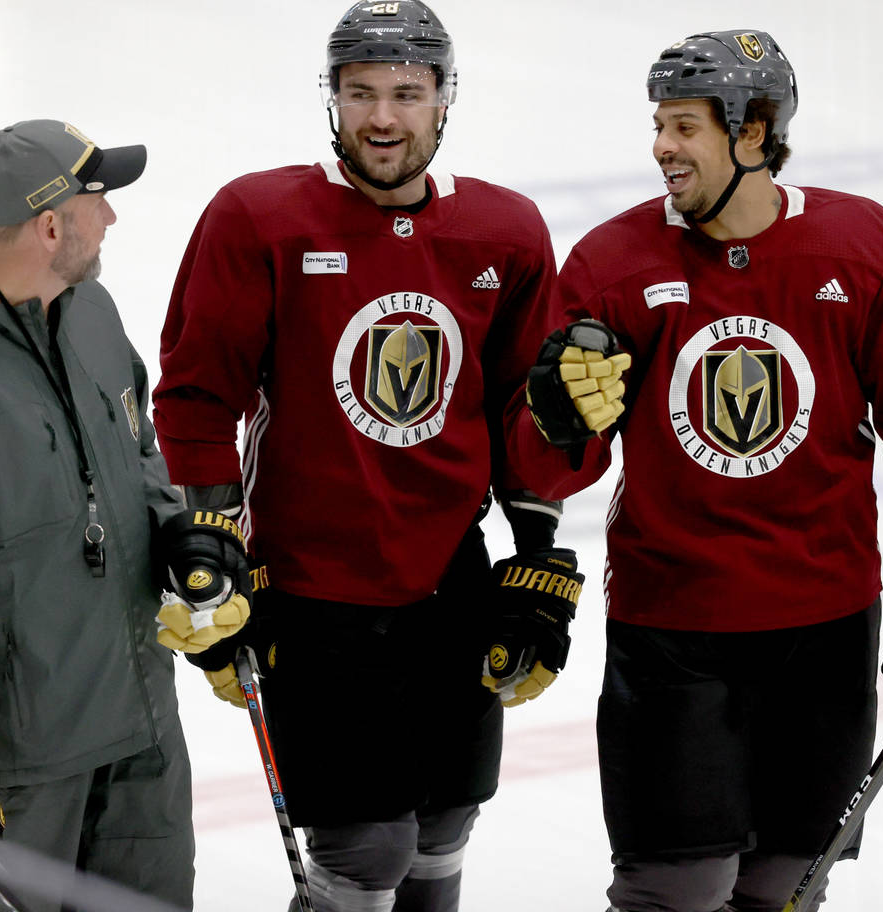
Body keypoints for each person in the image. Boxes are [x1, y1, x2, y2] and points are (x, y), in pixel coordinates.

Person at [507, 29, 883, 912]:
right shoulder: (613, 265)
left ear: (755, 130)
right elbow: (550, 475)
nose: (662, 145)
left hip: (823, 629)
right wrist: (552, 415)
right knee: (673, 889)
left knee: (785, 889)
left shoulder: (861, 247)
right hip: (671, 630)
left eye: (686, 125)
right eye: (659, 123)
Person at [150, 3, 586, 910]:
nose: (381, 117)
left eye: (404, 94)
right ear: (332, 99)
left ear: (443, 101)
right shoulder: (259, 217)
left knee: (445, 826)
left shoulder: (503, 232)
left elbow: (525, 408)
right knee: (367, 850)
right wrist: (211, 543)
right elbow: (198, 394)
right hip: (312, 590)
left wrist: (536, 545)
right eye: (359, 93)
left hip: (449, 579)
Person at [0, 119, 242, 911]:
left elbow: (136, 453)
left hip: (143, 734)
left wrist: (179, 532)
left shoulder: (92, 311)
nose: (114, 218)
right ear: (51, 222)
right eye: (99, 200)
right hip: (17, 767)